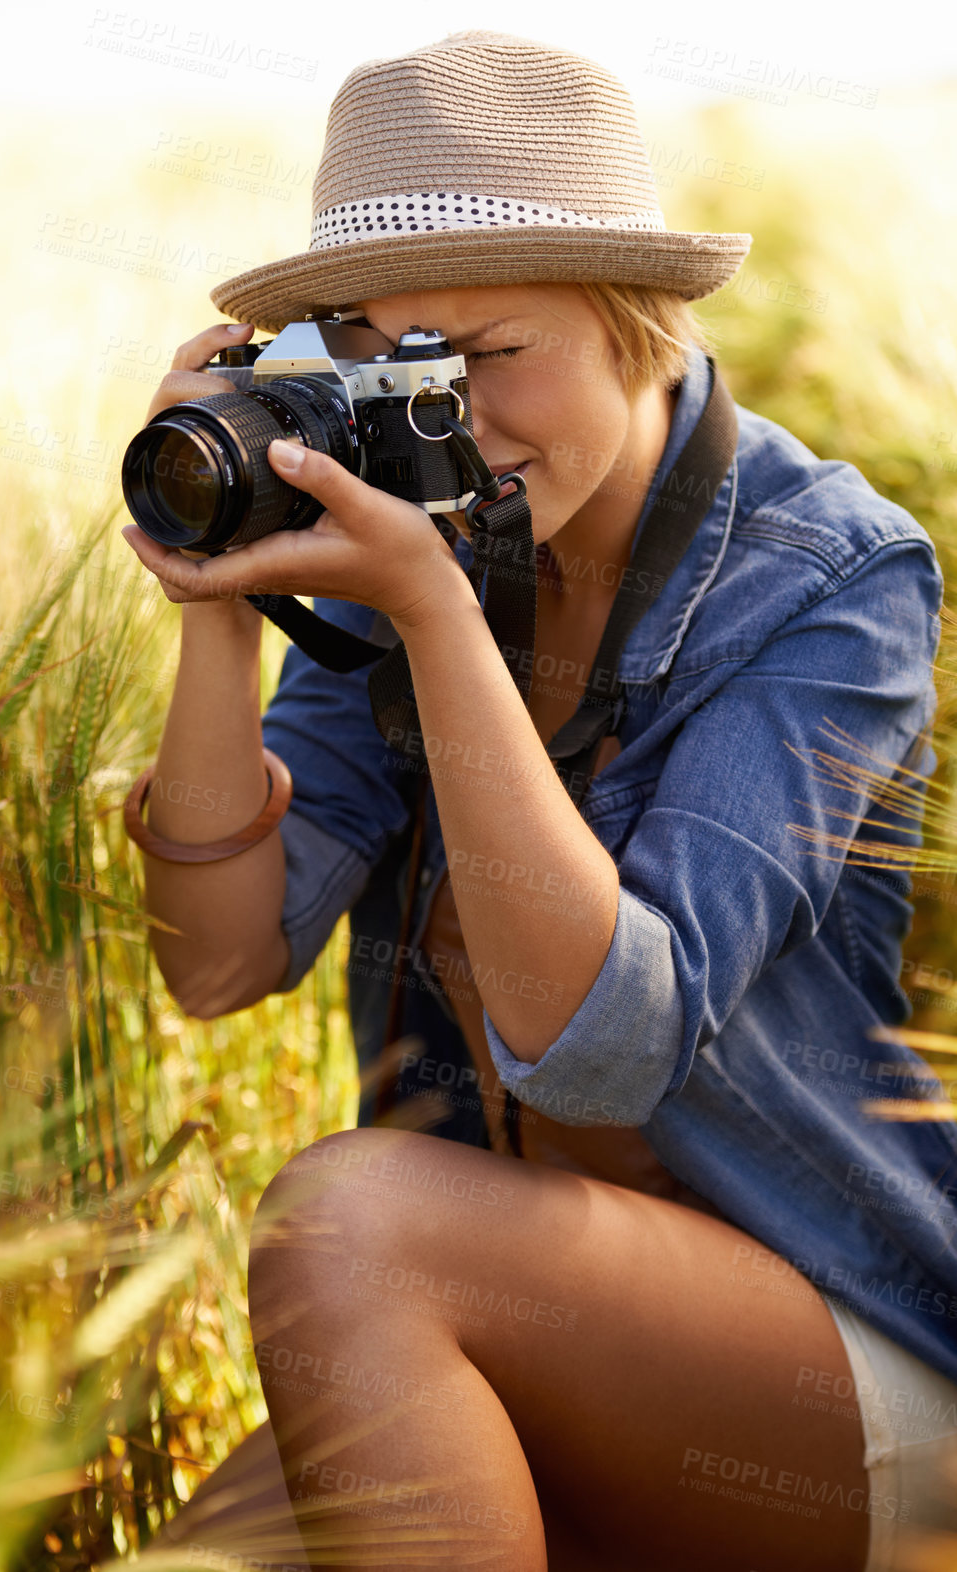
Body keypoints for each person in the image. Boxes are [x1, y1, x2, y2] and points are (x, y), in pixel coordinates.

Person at [120, 30, 957, 1572]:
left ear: (636, 321)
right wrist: (216, 607)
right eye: (380, 354)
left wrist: (435, 620)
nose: (449, 408)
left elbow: (605, 1054)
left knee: (342, 1218)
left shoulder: (833, 580)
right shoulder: (407, 506)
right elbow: (217, 963)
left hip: (838, 1367)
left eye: (489, 352)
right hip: (502, 1326)